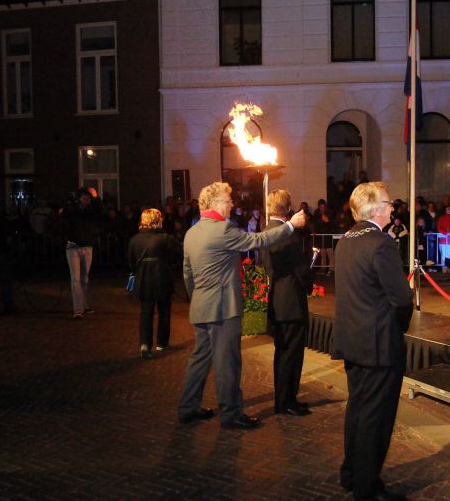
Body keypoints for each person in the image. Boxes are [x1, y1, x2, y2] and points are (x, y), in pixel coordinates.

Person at [178, 181, 307, 429]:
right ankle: (231, 413)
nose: (231, 205)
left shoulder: (192, 233)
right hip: (223, 309)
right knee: (228, 362)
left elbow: (188, 274)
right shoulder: (222, 230)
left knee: (200, 359)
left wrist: (198, 299)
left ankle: (188, 407)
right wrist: (291, 225)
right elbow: (258, 240)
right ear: (217, 204)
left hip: (202, 307)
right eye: (228, 201)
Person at [331, 182, 414, 501]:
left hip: (353, 340)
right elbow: (402, 298)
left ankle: (351, 473)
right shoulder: (381, 244)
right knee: (375, 418)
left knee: (357, 409)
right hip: (379, 344)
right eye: (389, 203)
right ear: (377, 209)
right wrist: (399, 328)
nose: (393, 208)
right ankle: (367, 487)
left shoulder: (346, 240)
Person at [262, 189, 313, 417]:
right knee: (292, 354)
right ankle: (287, 400)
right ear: (288, 208)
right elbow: (301, 269)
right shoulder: (288, 235)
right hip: (291, 301)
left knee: (282, 353)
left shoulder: (266, 231)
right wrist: (309, 283)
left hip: (277, 298)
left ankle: (283, 398)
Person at [128, 208, 183, 359]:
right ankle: (162, 343)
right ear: (157, 220)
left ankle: (145, 344)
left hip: (144, 278)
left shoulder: (134, 240)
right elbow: (181, 251)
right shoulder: (165, 238)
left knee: (146, 311)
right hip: (162, 277)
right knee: (164, 311)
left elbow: (131, 262)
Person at [61, 187, 102, 319]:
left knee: (84, 278)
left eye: (88, 198)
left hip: (87, 246)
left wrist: (96, 198)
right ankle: (78, 309)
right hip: (73, 246)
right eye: (84, 198)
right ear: (79, 199)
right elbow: (65, 215)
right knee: (76, 278)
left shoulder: (91, 211)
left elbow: (101, 213)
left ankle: (83, 305)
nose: (87, 200)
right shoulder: (72, 210)